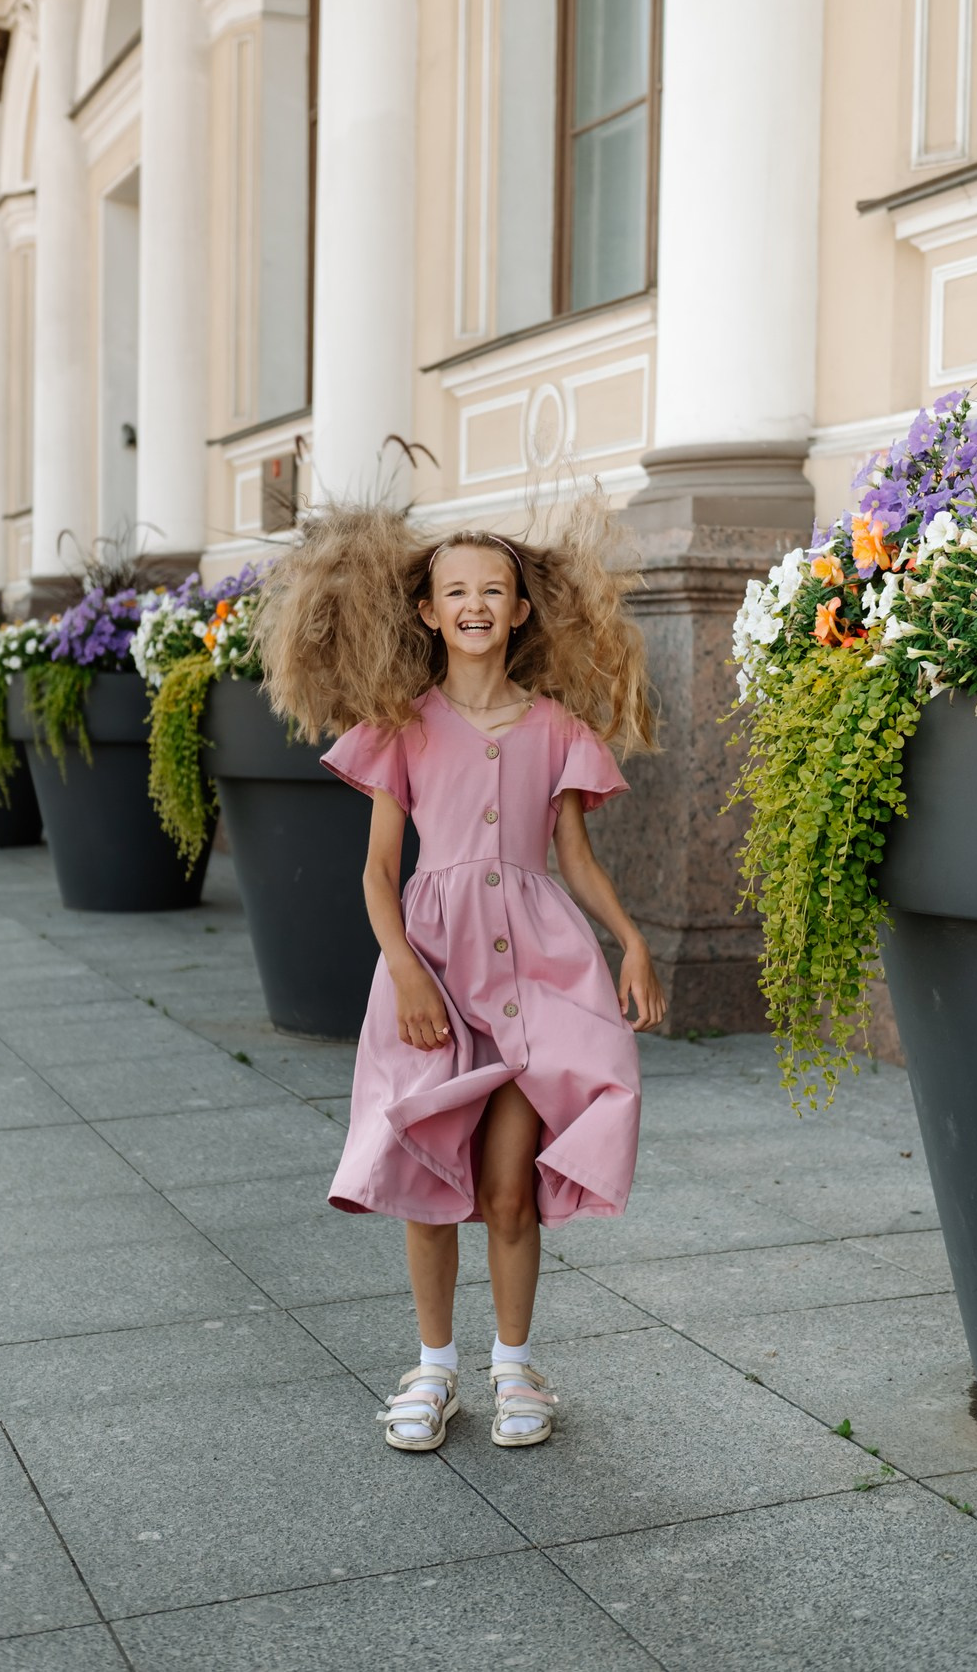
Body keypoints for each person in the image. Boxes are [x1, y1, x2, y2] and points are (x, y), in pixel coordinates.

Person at [257, 495, 666, 1450]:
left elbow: (574, 857)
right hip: (432, 971)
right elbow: (374, 870)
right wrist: (401, 967)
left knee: (510, 1183)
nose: (475, 603)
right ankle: (434, 1367)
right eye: (455, 591)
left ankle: (516, 1363)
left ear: (521, 609)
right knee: (429, 1170)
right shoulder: (401, 725)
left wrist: (632, 940)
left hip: (537, 971)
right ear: (430, 612)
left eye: (494, 589)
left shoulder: (558, 727)